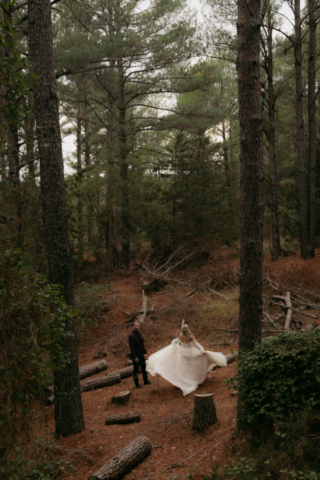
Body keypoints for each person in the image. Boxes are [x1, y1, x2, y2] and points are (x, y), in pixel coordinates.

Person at [146, 320, 227, 396]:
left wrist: (176, 348)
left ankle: (186, 380)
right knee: (192, 366)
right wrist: (202, 351)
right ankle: (193, 380)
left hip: (182, 353)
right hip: (190, 352)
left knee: (185, 367)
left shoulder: (180, 335)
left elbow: (175, 343)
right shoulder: (190, 336)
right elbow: (197, 344)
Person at [128, 320, 153, 388]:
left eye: (138, 325)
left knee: (144, 368)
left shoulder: (140, 333)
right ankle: (137, 384)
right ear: (133, 326)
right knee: (136, 370)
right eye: (136, 325)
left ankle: (146, 381)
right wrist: (135, 357)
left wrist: (145, 353)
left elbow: (142, 344)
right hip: (136, 356)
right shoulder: (131, 336)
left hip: (141, 355)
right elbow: (131, 348)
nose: (138, 326)